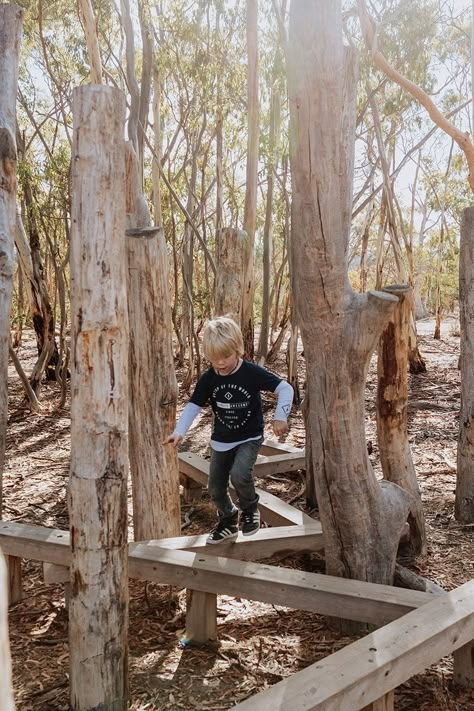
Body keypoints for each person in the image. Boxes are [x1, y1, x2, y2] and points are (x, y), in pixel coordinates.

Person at [163, 316, 294, 544]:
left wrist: (280, 417)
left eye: (226, 356)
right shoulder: (210, 378)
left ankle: (251, 509)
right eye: (214, 359)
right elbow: (194, 405)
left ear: (238, 350)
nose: (221, 363)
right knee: (214, 487)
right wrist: (180, 431)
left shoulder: (251, 373)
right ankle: (228, 519)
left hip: (249, 436)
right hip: (222, 440)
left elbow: (285, 388)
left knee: (240, 475)